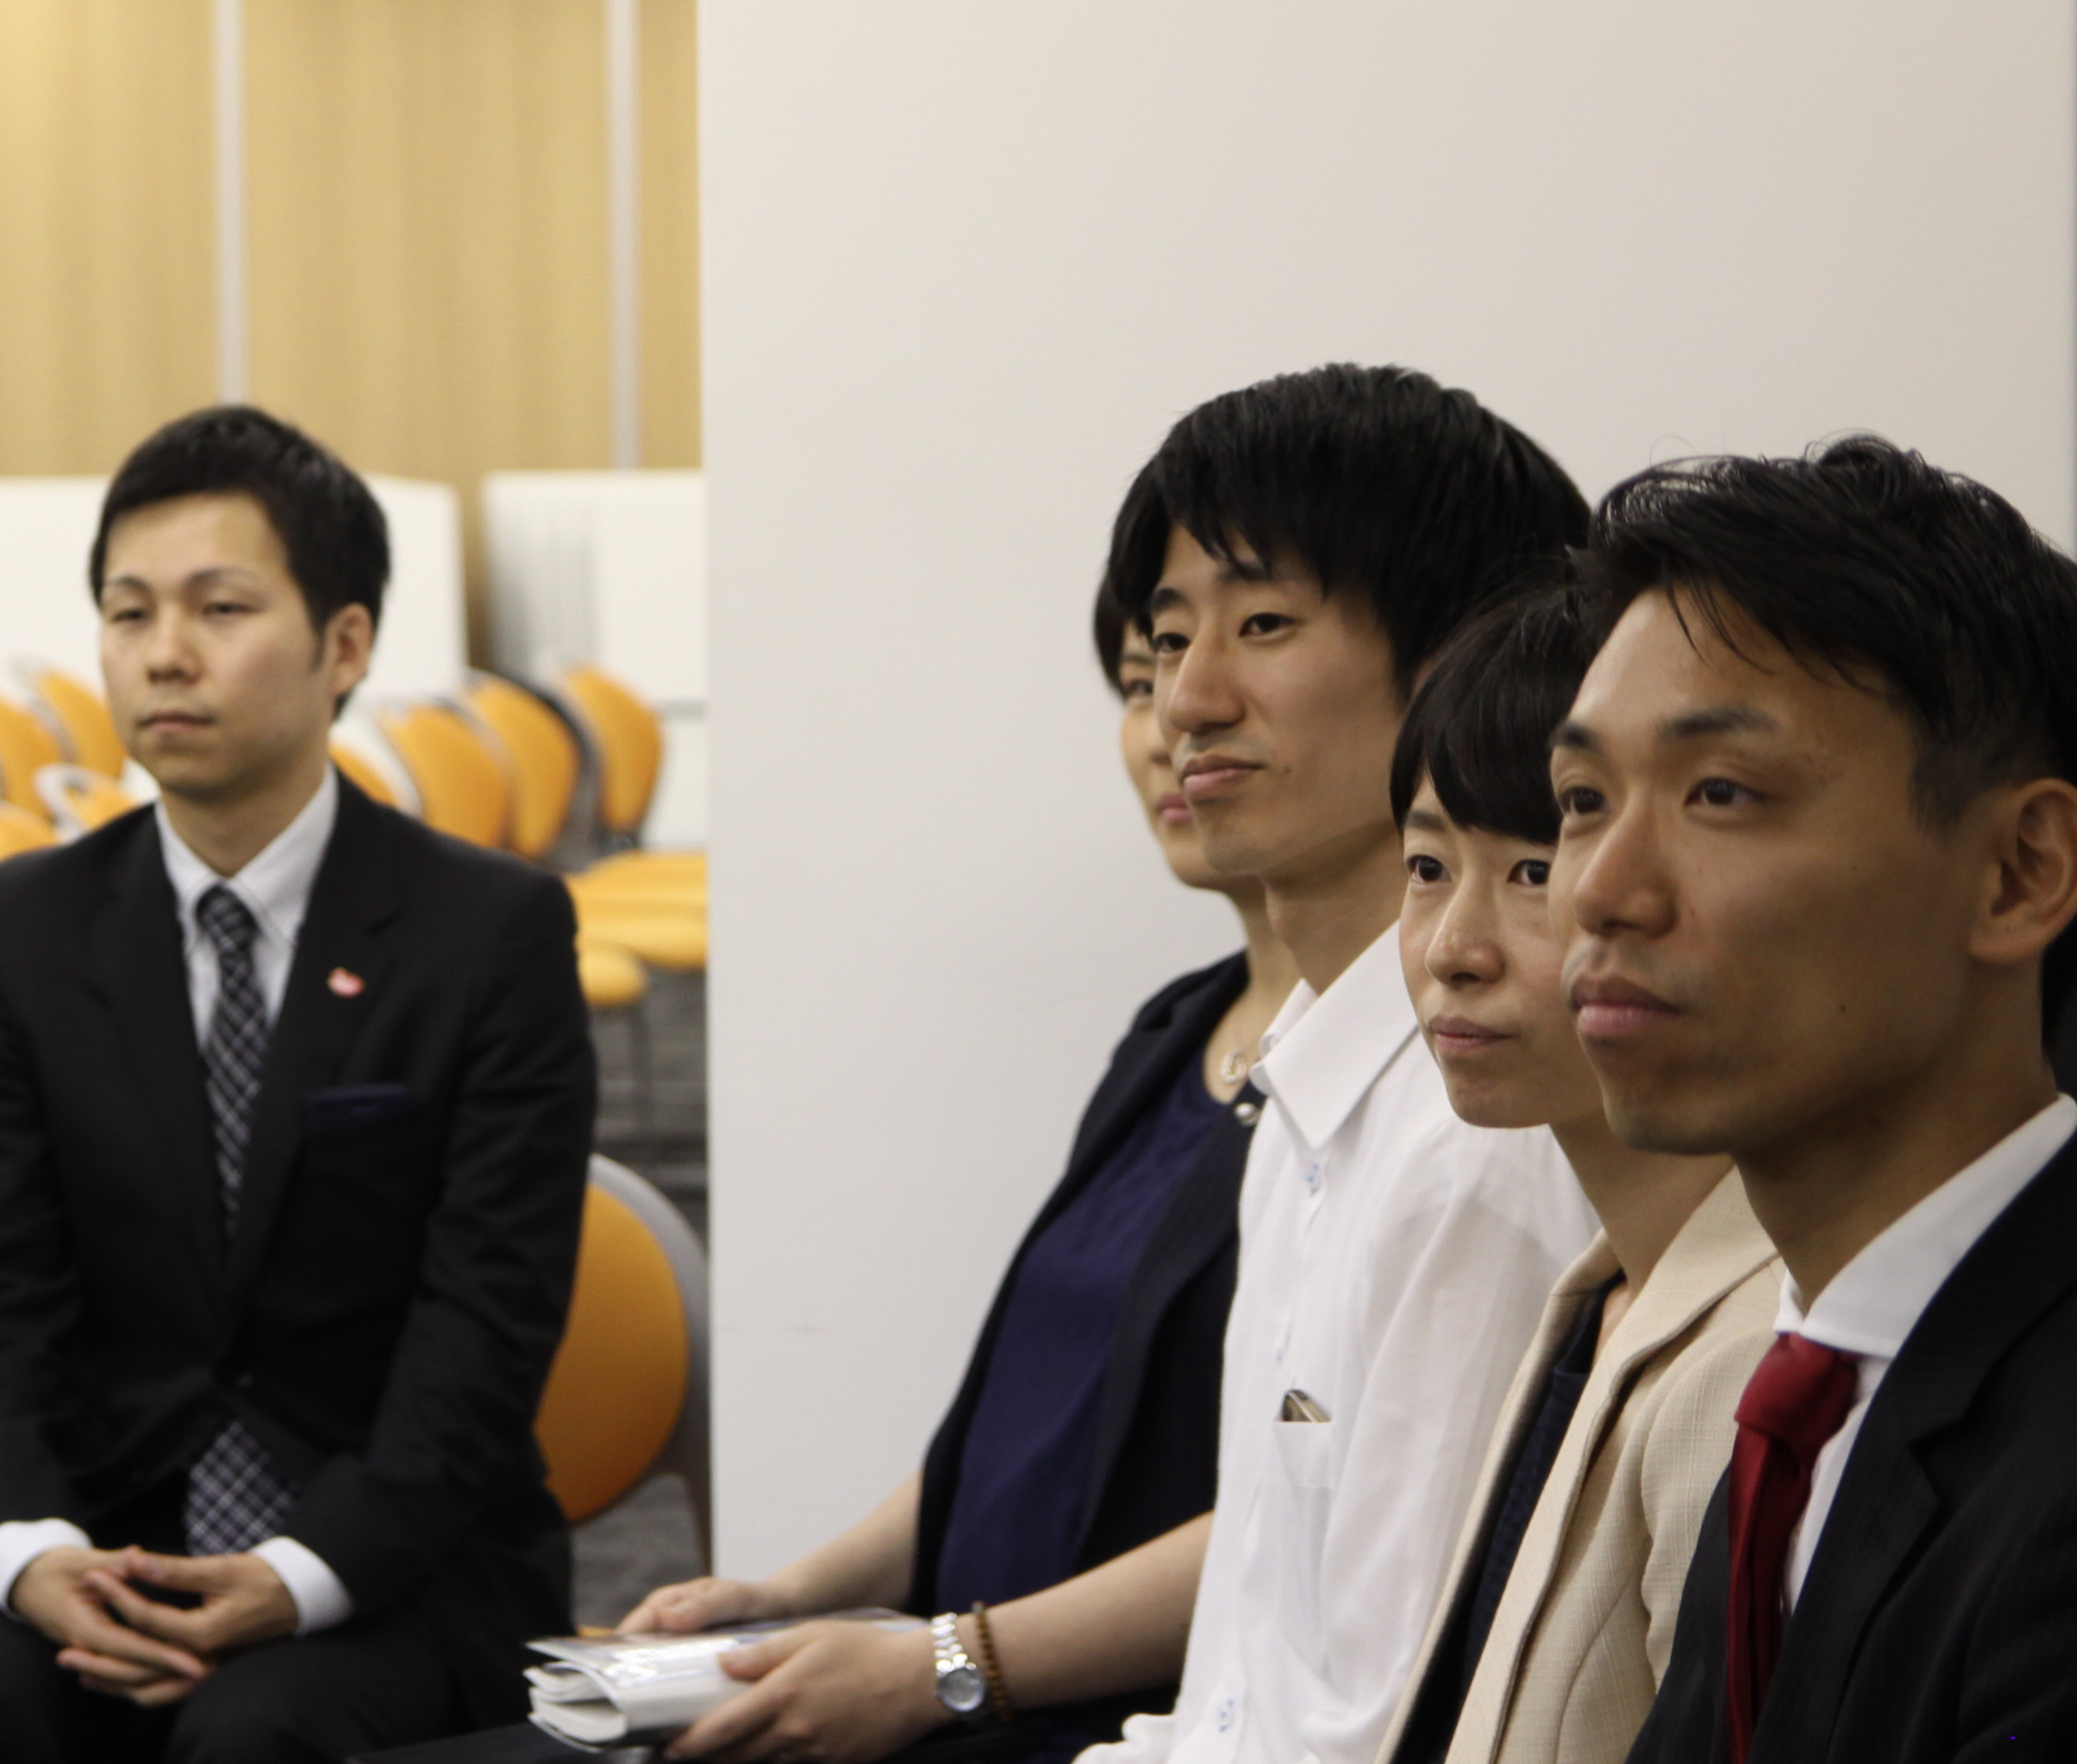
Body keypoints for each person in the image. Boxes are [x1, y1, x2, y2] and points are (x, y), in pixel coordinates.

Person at [0, 405, 603, 1764]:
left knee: (253, 1737)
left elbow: (485, 1330)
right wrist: (35, 1557)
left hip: (400, 1562)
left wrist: (300, 1574)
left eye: (219, 607)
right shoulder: (29, 928)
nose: (164, 655)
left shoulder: (484, 934)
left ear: (346, 646)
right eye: (127, 611)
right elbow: (1, 1298)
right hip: (115, 1549)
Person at [612, 588, 1287, 1763]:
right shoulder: (1176, 1033)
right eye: (1144, 674)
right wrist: (791, 1597)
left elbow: (1312, 1516)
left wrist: (946, 1666)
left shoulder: (1421, 1088)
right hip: (968, 1679)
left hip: (1107, 1717)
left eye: (1262, 631)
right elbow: (1016, 1437)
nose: (1178, 713)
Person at [1081, 364, 1598, 1764]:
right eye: (1165, 638)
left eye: (1260, 624)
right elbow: (1246, 1683)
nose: (1186, 700)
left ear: (1456, 665)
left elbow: (1364, 1728)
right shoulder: (1306, 1089)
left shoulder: (1486, 1121)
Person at [1552, 442, 2077, 1763]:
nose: (1604, 891)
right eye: (1580, 801)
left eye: (1720, 793)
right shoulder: (1811, 1385)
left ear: (2019, 871)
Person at [1373, 589, 1776, 1764]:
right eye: (1427, 865)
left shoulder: (1754, 1344)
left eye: (1534, 870)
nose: (1456, 949)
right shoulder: (1600, 1293)